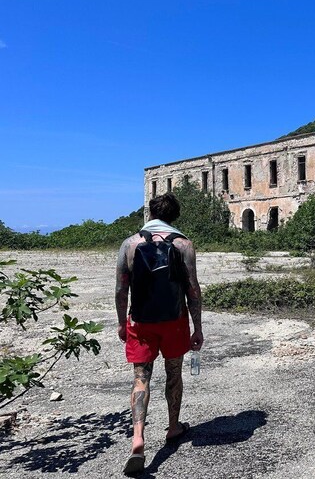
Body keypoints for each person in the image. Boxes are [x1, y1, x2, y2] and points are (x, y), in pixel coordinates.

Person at [115, 193, 204, 475]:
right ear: (175, 215)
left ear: (150, 213)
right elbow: (192, 290)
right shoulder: (183, 244)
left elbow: (121, 289)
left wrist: (121, 323)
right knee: (173, 373)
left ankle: (138, 438)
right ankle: (173, 427)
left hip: (140, 322)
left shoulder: (130, 244)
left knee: (141, 378)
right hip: (174, 321)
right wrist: (197, 327)